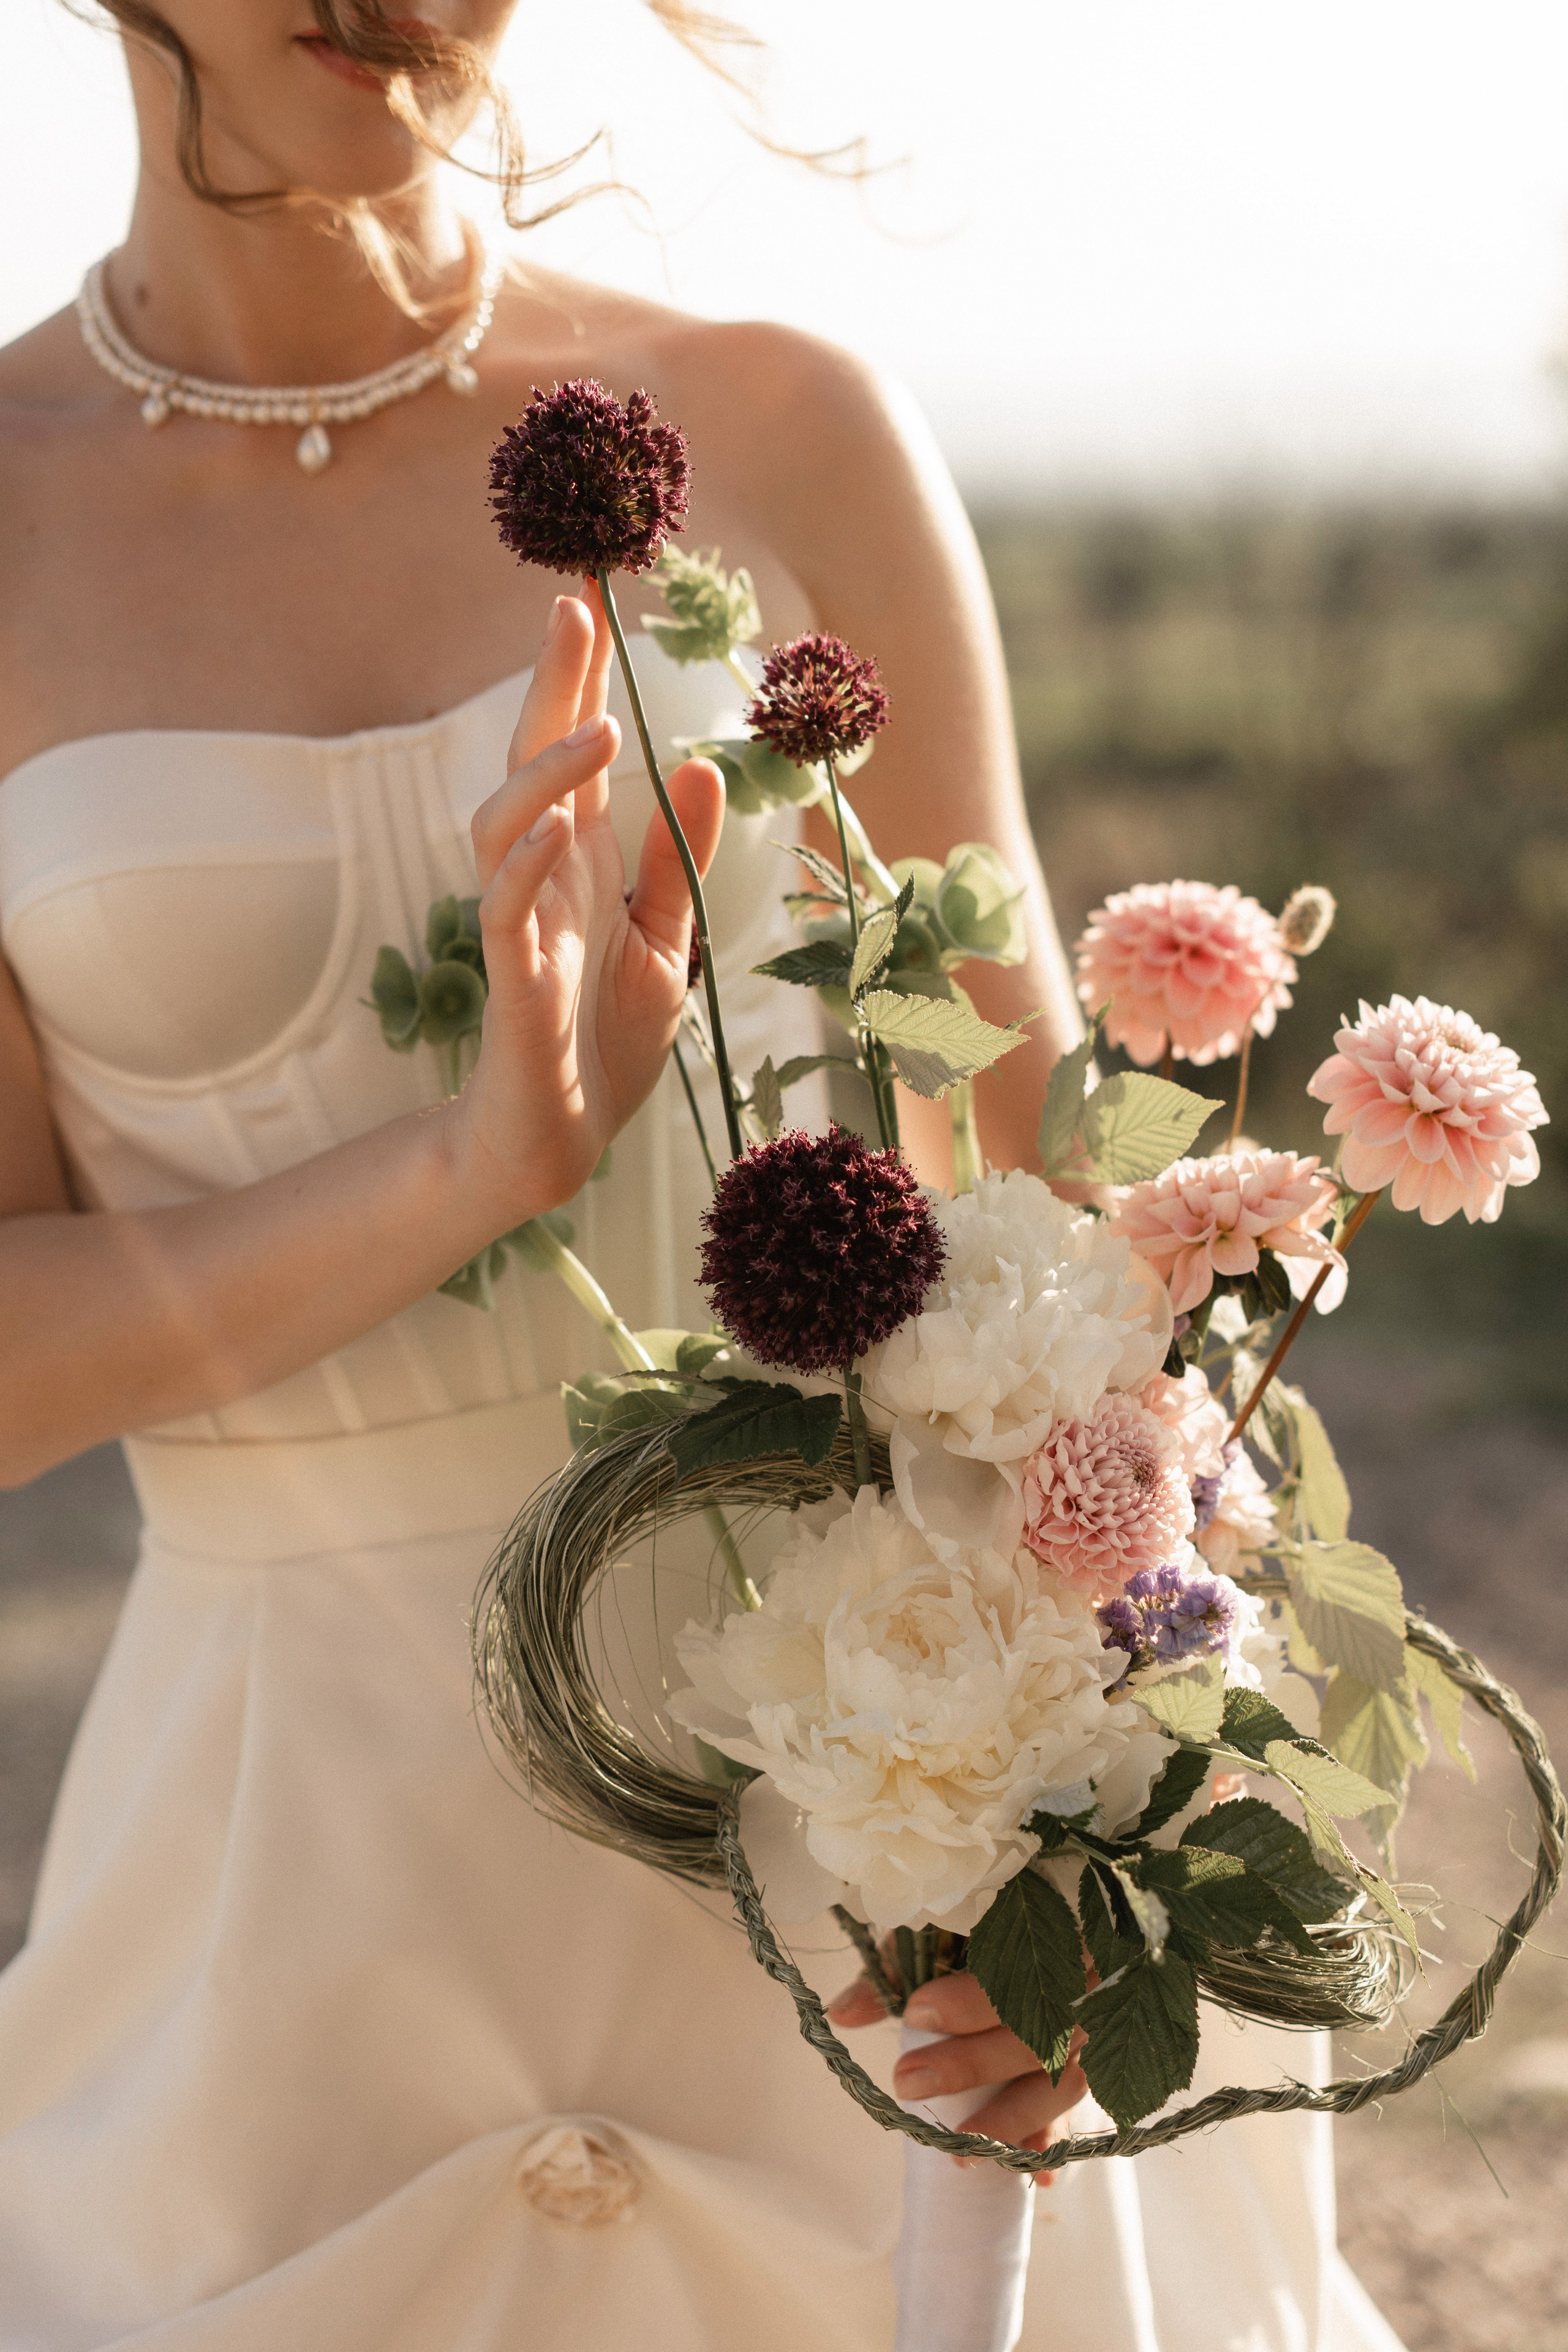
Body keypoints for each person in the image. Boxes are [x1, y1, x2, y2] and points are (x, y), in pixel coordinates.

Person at [0, 6, 1404, 2346]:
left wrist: (1108, 1829)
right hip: (293, 1882)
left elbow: (1037, 1190)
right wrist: (474, 1167)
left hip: (883, 1814)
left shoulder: (777, 422)